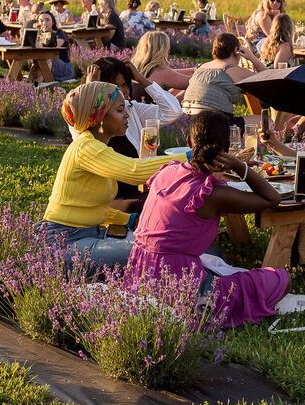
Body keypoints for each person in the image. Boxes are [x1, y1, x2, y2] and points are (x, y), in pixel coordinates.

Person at [126, 111, 289, 328]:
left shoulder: (167, 171)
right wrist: (241, 168)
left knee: (214, 262)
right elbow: (272, 198)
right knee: (280, 279)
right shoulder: (210, 193)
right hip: (179, 283)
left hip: (139, 272)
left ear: (189, 142)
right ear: (228, 150)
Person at [41, 82, 174, 269]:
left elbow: (89, 207)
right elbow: (134, 171)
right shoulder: (86, 148)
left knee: (159, 248)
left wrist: (128, 220)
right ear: (100, 116)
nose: (127, 115)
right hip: (63, 243)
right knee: (149, 253)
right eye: (121, 110)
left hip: (85, 236)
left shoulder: (97, 147)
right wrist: (188, 159)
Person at [79, 57, 185, 212]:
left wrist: (141, 79)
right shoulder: (81, 118)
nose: (120, 92)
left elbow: (173, 112)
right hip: (104, 199)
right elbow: (84, 124)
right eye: (114, 86)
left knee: (176, 197)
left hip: (134, 190)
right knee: (161, 204)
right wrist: (91, 90)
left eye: (123, 85)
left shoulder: (131, 110)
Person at [182, 33, 267, 120]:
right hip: (214, 123)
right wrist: (252, 57)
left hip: (186, 121)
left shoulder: (202, 67)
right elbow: (268, 79)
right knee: (266, 121)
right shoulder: (234, 70)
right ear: (236, 51)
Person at [131, 31, 196, 93]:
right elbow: (197, 84)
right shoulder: (162, 72)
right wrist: (204, 73)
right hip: (153, 104)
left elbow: (173, 74)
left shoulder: (135, 68)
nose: (168, 51)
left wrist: (193, 70)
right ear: (161, 50)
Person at [30, 11, 76, 83]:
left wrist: (45, 35)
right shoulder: (39, 34)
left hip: (62, 66)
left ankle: (36, 83)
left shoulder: (59, 34)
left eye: (47, 20)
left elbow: (54, 47)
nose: (44, 23)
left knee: (48, 59)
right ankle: (32, 81)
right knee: (38, 61)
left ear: (53, 22)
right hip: (47, 63)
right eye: (41, 21)